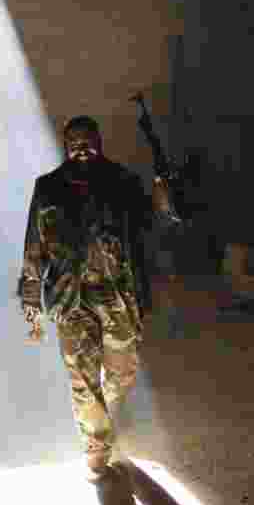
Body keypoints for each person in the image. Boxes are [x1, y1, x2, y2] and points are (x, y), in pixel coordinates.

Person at [17, 115, 173, 480]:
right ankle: (96, 446)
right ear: (65, 145)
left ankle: (106, 408)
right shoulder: (48, 188)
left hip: (117, 293)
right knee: (81, 377)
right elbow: (33, 245)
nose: (80, 147)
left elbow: (155, 220)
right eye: (73, 141)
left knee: (121, 371)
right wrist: (30, 296)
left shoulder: (122, 182)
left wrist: (163, 193)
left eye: (87, 140)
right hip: (69, 297)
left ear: (99, 143)